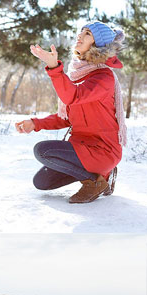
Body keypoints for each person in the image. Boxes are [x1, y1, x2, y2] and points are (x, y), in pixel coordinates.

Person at [17, 22, 127, 203]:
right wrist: (35, 123)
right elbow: (66, 117)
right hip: (81, 147)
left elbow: (72, 96)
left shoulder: (103, 78)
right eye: (81, 31)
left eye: (88, 34)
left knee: (43, 151)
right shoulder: (78, 74)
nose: (80, 36)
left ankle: (95, 180)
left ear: (97, 44)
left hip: (102, 150)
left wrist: (54, 68)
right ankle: (99, 175)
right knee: (41, 182)